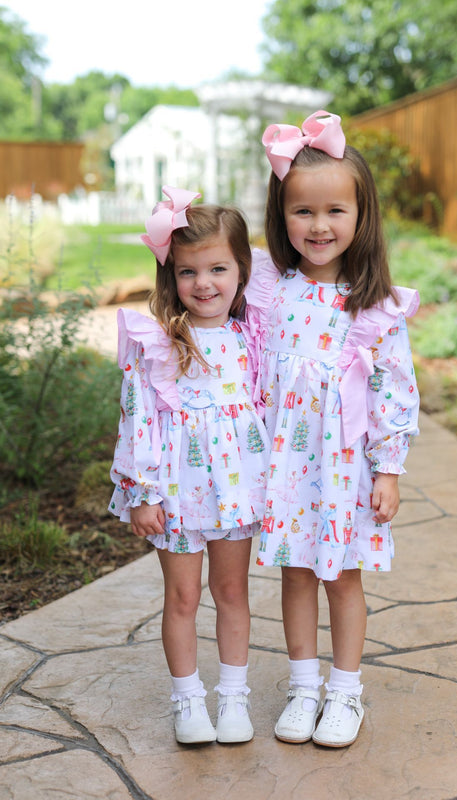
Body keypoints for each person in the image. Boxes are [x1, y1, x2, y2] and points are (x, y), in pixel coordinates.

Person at [246, 110, 420, 748]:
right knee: (294, 572)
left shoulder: (374, 305)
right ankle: (303, 685)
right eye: (303, 212)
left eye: (334, 212)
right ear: (281, 215)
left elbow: (392, 390)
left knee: (342, 577)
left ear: (360, 215)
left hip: (345, 466)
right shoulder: (272, 292)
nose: (319, 226)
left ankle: (345, 692)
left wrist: (390, 468)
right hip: (289, 467)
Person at [109, 186, 269, 745]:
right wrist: (141, 492)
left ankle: (233, 699)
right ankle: (188, 701)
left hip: (234, 489)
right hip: (176, 492)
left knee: (233, 593)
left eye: (219, 268)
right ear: (169, 277)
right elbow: (138, 419)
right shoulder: (158, 343)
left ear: (242, 271)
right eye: (187, 272)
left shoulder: (253, 336)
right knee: (181, 597)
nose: (204, 284)